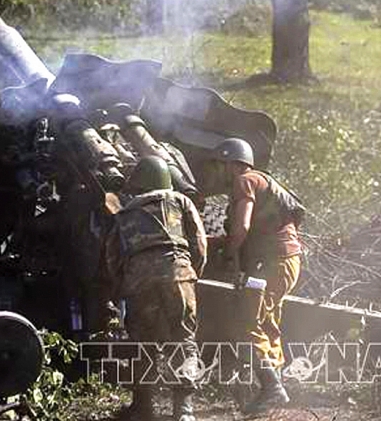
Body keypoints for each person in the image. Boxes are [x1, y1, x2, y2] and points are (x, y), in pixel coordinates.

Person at [104, 156, 207, 421]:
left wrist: (120, 289)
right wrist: (190, 273)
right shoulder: (179, 201)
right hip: (177, 275)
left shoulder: (124, 213)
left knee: (143, 344)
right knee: (183, 340)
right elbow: (199, 242)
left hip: (138, 284)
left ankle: (142, 408)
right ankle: (184, 412)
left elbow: (112, 258)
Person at [208, 138, 305, 415]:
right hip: (287, 262)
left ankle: (272, 389)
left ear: (230, 163)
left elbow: (241, 228)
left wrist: (228, 250)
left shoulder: (245, 181)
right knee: (267, 323)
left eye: (219, 165)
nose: (218, 172)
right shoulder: (265, 180)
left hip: (269, 264)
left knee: (246, 322)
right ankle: (273, 392)